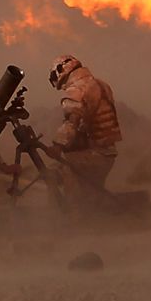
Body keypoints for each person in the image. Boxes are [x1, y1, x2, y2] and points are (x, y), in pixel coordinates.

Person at [45, 55, 122, 207]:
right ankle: (94, 217)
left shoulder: (77, 90)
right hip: (107, 153)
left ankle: (73, 220)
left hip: (94, 155)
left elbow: (72, 122)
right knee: (91, 193)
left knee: (53, 174)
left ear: (61, 71)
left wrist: (57, 146)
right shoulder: (101, 84)